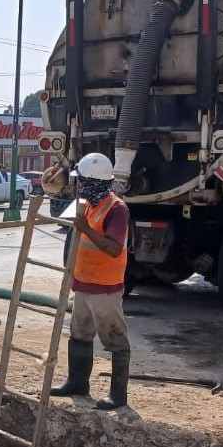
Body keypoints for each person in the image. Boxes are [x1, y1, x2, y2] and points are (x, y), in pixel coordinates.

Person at [44, 153, 132, 410]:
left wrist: (87, 229)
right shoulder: (88, 203)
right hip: (83, 282)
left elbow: (114, 249)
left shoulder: (116, 209)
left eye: (82, 181)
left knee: (115, 338)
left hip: (104, 287)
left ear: (93, 181)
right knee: (80, 333)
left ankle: (118, 395)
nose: (78, 185)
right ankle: (77, 381)